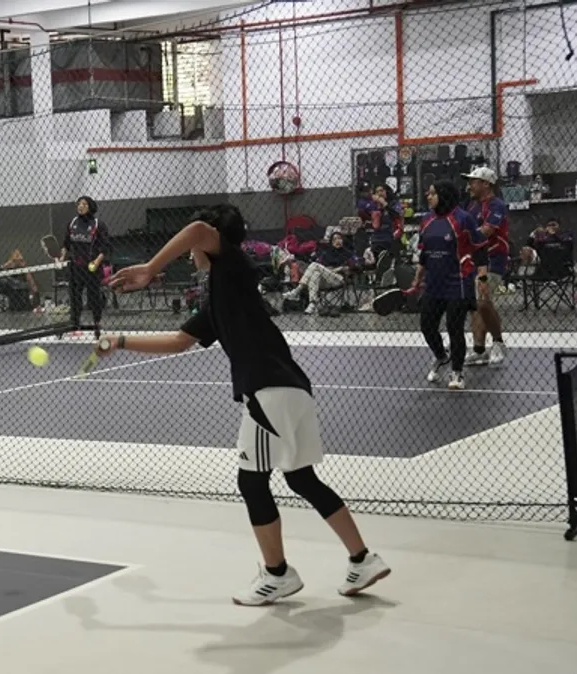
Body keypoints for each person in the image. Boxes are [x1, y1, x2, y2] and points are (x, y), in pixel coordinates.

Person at [98, 204, 390, 606]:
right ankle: (362, 560)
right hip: (290, 388)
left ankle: (277, 574)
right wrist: (120, 341)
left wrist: (149, 268)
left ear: (213, 240)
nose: (190, 251)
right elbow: (178, 342)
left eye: (196, 245)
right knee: (301, 479)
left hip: (268, 389)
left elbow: (197, 229)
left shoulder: (230, 266)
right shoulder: (221, 295)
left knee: (251, 482)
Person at [411, 180, 489, 391]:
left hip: (458, 283)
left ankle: (457, 372)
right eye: (428, 193)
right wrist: (417, 279)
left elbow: (480, 247)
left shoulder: (463, 219)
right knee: (427, 326)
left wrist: (482, 277)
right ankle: (441, 356)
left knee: (455, 328)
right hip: (433, 284)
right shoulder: (426, 220)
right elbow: (424, 254)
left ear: (444, 195)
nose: (428, 196)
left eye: (432, 193)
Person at [461, 167, 509, 367]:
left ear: (486, 184)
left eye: (473, 181)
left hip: (493, 259)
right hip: (474, 260)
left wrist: (463, 238)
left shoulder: (497, 205)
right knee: (474, 305)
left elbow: (487, 231)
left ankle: (498, 342)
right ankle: (479, 349)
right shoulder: (471, 206)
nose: (469, 186)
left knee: (483, 302)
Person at [59, 196, 112, 339]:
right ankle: (75, 325)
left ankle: (96, 323)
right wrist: (62, 257)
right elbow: (66, 244)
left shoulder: (98, 224)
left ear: (90, 207)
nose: (80, 206)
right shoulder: (72, 223)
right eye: (79, 204)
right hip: (75, 267)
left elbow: (105, 247)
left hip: (91, 268)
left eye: (84, 204)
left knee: (93, 297)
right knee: (75, 297)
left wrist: (97, 262)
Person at [281, 231, 354, 314]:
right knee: (315, 274)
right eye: (334, 239)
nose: (337, 241)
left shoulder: (348, 253)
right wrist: (334, 269)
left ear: (343, 240)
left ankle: (297, 290)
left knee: (315, 265)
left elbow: (349, 267)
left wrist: (338, 269)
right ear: (331, 242)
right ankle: (312, 304)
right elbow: (322, 267)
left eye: (339, 238)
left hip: (338, 279)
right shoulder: (327, 253)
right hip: (325, 278)